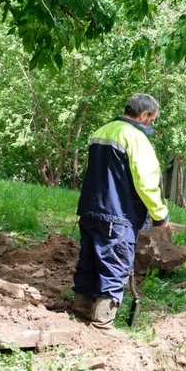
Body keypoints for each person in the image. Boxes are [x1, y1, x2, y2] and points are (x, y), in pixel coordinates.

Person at [72, 94, 170, 330]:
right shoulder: (136, 138)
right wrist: (160, 215)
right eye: (152, 119)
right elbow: (146, 182)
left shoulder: (102, 131)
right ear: (143, 115)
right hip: (118, 215)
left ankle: (81, 307)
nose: (152, 125)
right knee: (115, 264)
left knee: (89, 259)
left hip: (90, 209)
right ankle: (103, 321)